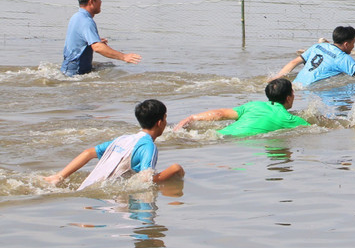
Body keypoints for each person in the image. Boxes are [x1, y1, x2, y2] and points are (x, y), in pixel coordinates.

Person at [44, 99, 184, 190]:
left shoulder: (123, 139)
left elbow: (88, 153)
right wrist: (174, 169)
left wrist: (60, 176)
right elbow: (146, 181)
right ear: (160, 123)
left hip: (85, 187)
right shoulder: (149, 147)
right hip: (105, 197)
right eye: (165, 119)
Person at [271, 25, 355, 87]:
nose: (353, 46)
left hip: (295, 84)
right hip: (310, 89)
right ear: (346, 44)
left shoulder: (318, 46)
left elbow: (294, 62)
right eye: (353, 43)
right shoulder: (342, 58)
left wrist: (278, 77)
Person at [174, 78, 309, 137]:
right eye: (292, 91)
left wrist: (192, 118)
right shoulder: (291, 119)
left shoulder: (253, 105)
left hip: (218, 135)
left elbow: (220, 114)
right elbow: (317, 130)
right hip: (233, 142)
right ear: (288, 98)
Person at [61, 0, 141, 76]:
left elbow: (77, 40)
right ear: (91, 2)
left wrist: (92, 40)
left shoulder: (76, 17)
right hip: (75, 74)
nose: (101, 2)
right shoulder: (86, 21)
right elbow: (97, 47)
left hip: (67, 69)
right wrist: (124, 57)